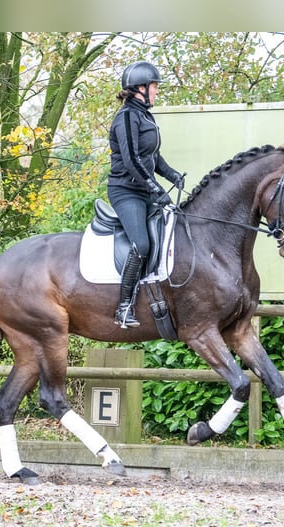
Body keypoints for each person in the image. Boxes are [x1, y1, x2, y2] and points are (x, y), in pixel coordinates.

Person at [107, 61, 185, 328]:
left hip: (145, 188)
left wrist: (171, 174)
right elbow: (131, 161)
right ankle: (123, 307)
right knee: (141, 244)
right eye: (154, 87)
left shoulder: (145, 116)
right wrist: (156, 189)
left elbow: (152, 157)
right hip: (126, 191)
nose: (157, 92)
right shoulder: (126, 116)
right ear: (139, 88)